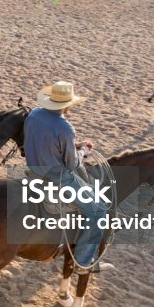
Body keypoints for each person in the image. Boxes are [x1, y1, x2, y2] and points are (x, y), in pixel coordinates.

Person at [23, 81, 104, 272]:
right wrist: (83, 150)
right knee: (99, 210)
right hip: (57, 178)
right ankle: (83, 262)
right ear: (68, 104)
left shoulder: (34, 114)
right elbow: (72, 164)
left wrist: (74, 146)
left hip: (33, 170)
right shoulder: (65, 128)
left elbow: (42, 142)